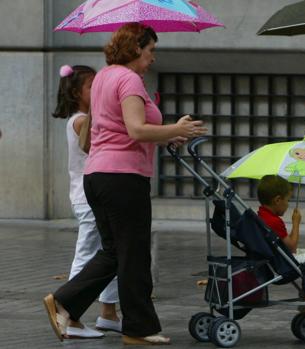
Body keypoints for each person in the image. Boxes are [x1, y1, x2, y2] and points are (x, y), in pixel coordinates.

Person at [43, 23, 208, 345]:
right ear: (135, 49)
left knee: (116, 252)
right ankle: (139, 328)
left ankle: (66, 302)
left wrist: (168, 136)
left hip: (98, 175)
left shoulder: (104, 76)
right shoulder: (129, 79)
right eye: (150, 51)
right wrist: (178, 128)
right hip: (123, 177)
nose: (153, 59)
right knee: (133, 255)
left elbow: (108, 132)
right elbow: (135, 129)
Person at [51, 64, 122, 339]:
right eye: (92, 86)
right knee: (87, 255)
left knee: (109, 253)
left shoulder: (83, 118)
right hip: (88, 197)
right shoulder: (81, 121)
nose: (98, 90)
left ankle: (109, 313)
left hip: (92, 196)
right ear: (75, 92)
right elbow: (99, 144)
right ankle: (69, 315)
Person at [256, 175, 305, 292]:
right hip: (282, 263)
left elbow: (287, 244)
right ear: (277, 200)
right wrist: (296, 223)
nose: (288, 204)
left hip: (275, 258)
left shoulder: (261, 215)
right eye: (287, 200)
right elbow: (292, 247)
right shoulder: (274, 221)